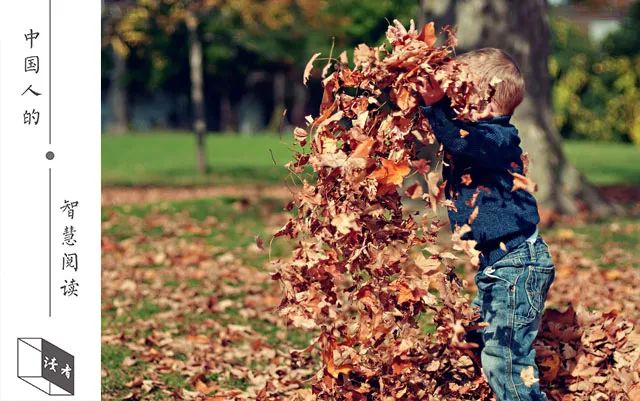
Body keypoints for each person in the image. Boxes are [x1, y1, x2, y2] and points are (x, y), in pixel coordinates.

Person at [419, 48, 556, 401]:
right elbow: (456, 138)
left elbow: (462, 141)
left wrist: (435, 107)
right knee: (478, 336)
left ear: (484, 101)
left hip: (517, 266)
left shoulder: (498, 138)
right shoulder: (477, 136)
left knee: (505, 360)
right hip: (499, 266)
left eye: (459, 93)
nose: (452, 101)